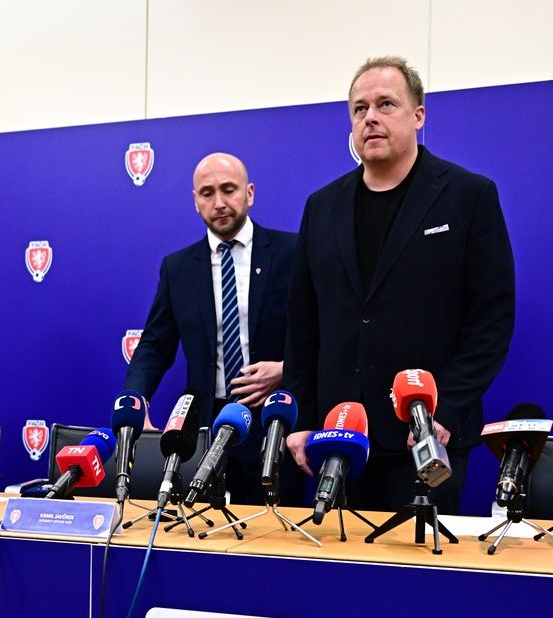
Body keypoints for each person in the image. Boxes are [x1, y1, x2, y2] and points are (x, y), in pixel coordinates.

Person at [284, 56, 515, 514]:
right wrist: (301, 417)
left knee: (421, 562)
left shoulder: (468, 196)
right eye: (360, 108)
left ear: (418, 115)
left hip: (428, 437)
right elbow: (303, 323)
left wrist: (445, 410)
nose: (370, 117)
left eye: (386, 104)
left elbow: (492, 318)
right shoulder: (321, 206)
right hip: (342, 438)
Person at [125, 152, 302, 505]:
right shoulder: (178, 268)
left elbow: (324, 333)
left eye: (229, 190)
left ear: (249, 193)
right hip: (204, 429)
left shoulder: (293, 252)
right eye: (207, 193)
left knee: (275, 530)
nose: (219, 202)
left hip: (275, 422)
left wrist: (287, 369)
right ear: (195, 201)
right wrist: (135, 397)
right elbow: (156, 345)